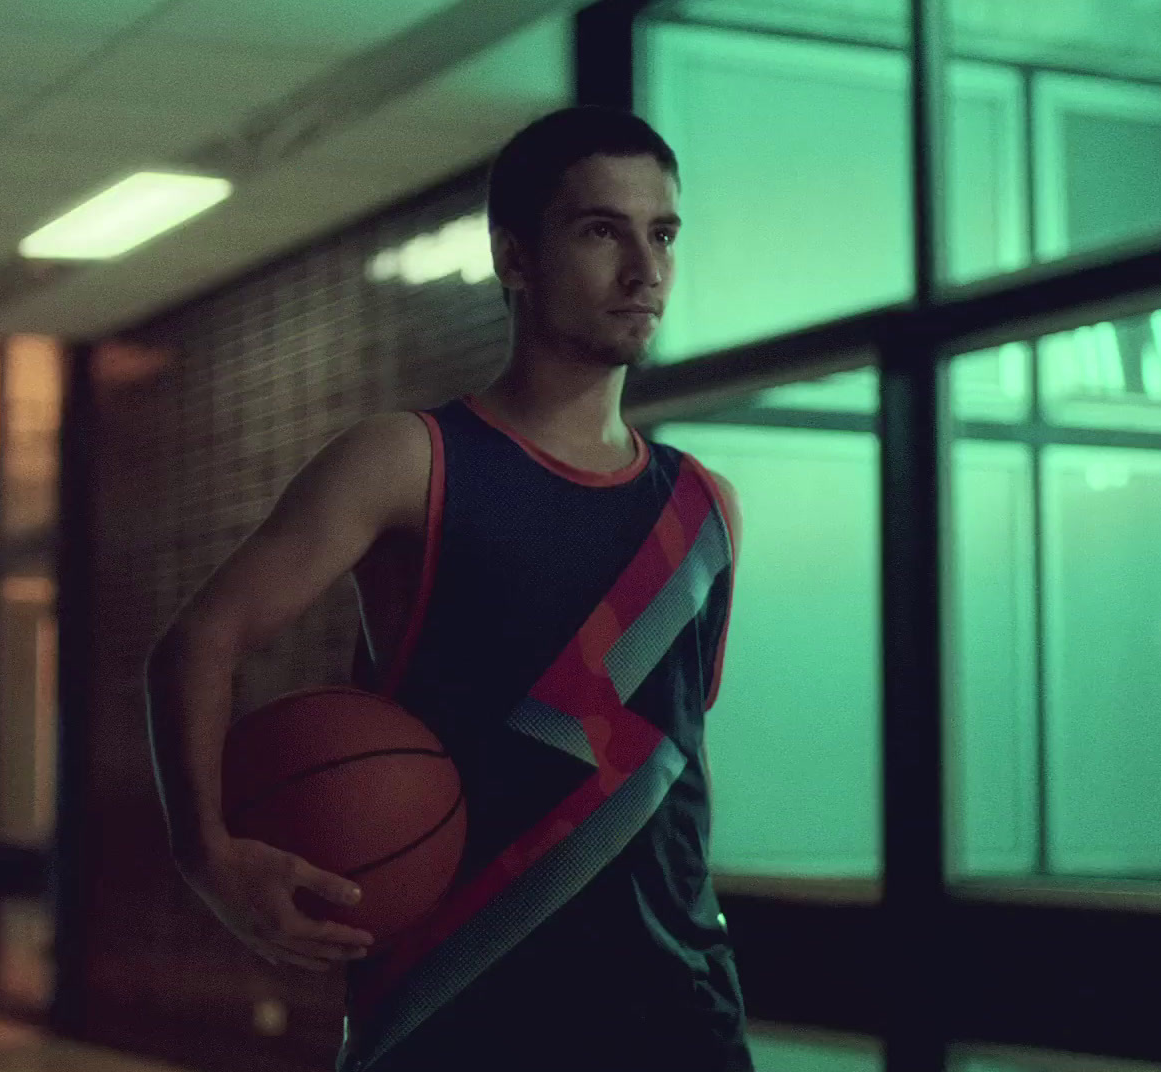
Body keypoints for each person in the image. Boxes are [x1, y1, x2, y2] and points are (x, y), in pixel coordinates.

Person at [144, 106, 753, 1072]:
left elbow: (678, 762)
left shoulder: (704, 507)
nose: (645, 268)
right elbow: (196, 644)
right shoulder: (411, 462)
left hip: (679, 1016)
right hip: (457, 1006)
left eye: (663, 233)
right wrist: (206, 854)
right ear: (514, 259)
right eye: (602, 231)